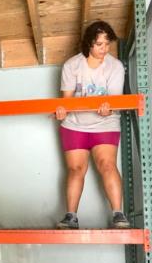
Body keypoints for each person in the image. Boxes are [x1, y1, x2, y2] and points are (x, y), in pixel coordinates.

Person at [55, 20, 130, 229]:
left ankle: (118, 214)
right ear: (89, 43)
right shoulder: (72, 65)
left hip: (104, 124)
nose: (104, 49)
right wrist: (62, 110)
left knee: (107, 164)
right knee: (76, 169)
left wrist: (110, 108)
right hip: (75, 125)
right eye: (99, 44)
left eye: (107, 44)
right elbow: (67, 101)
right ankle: (71, 216)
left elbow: (115, 101)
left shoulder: (115, 66)